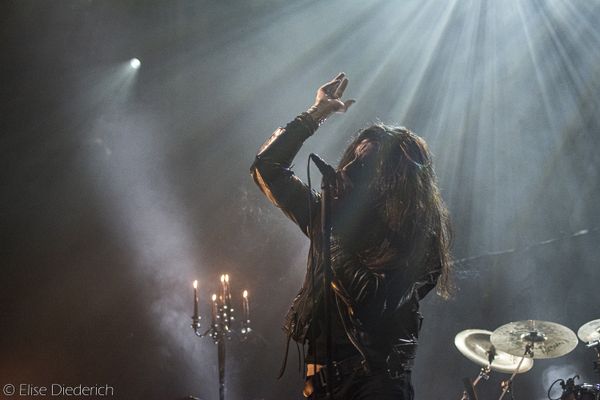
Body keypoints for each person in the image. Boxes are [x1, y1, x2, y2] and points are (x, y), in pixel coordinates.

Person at [250, 73, 452, 399]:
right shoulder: (327, 216)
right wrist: (315, 114)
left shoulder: (419, 242)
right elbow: (266, 168)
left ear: (394, 180)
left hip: (375, 381)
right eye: (353, 157)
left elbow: (375, 301)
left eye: (366, 162)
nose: (348, 167)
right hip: (318, 376)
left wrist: (329, 233)